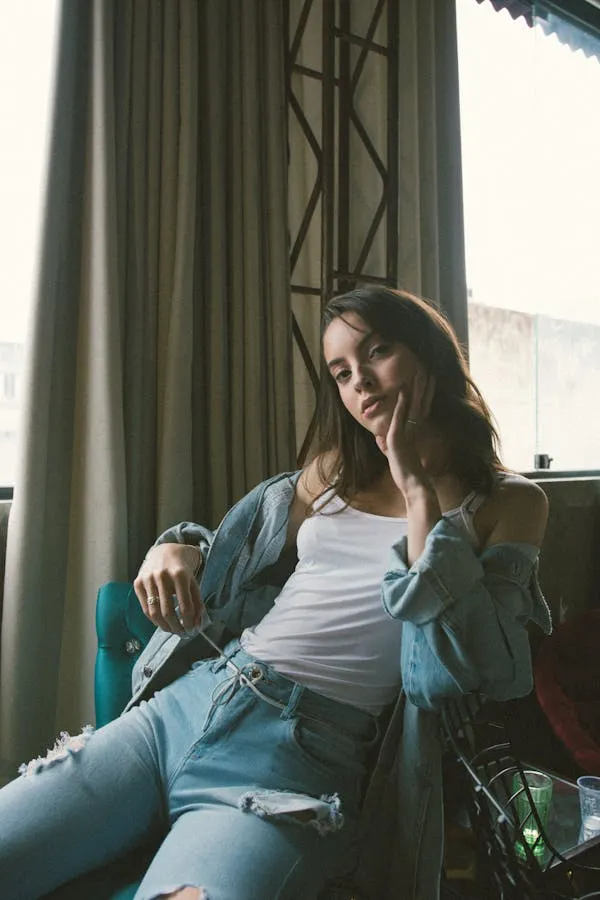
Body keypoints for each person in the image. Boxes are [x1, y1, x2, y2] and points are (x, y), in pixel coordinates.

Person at [0, 286, 551, 900]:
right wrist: (174, 546)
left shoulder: (510, 503)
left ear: (430, 355)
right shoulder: (333, 471)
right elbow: (236, 558)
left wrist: (418, 488)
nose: (360, 382)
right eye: (342, 372)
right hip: (189, 706)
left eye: (378, 351)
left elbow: (468, 667)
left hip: (297, 764)